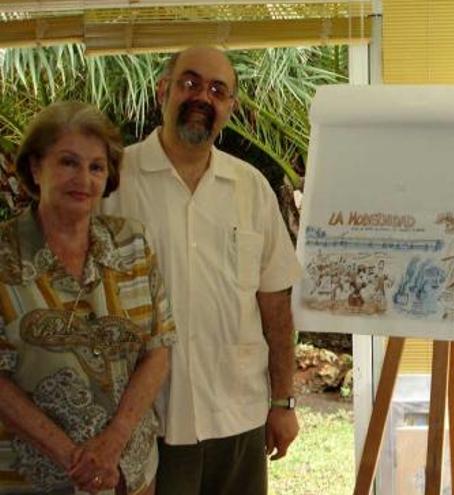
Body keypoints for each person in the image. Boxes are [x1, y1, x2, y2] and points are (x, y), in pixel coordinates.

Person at [102, 46, 301, 494]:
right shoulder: (114, 181)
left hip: (239, 418)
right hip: (145, 424)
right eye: (190, 84)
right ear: (163, 92)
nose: (202, 98)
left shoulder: (251, 188)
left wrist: (283, 401)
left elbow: (275, 306)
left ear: (229, 107)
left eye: (217, 90)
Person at [0, 101, 176, 494]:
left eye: (97, 167)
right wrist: (74, 458)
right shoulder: (4, 256)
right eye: (68, 162)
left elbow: (158, 347)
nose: (84, 178)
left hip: (130, 474)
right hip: (33, 478)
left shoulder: (132, 242)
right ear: (34, 167)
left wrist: (113, 444)